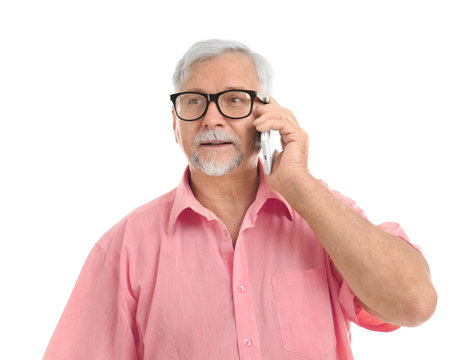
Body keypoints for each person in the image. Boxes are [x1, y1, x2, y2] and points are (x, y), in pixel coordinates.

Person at [43, 39, 437, 360]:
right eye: (194, 101)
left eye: (234, 100)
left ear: (267, 115)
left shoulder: (323, 218)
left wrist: (302, 185)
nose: (211, 118)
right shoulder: (125, 247)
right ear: (175, 123)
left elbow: (415, 304)